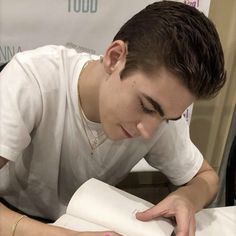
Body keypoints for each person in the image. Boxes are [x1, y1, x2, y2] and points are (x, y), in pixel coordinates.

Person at [0, 1, 226, 236]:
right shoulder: (33, 78)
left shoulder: (160, 119)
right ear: (114, 57)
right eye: (146, 106)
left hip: (88, 219)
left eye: (167, 118)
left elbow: (206, 177)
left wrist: (187, 197)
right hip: (13, 216)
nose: (148, 130)